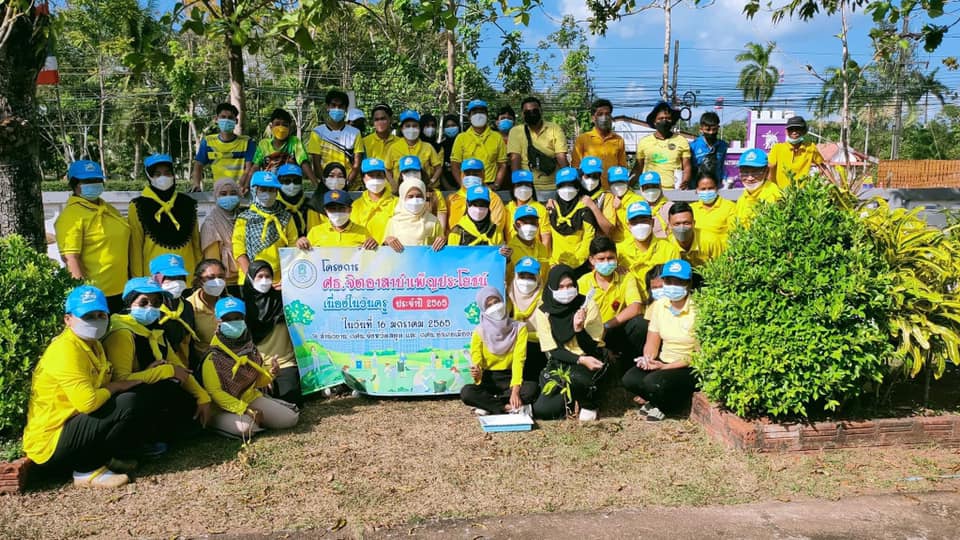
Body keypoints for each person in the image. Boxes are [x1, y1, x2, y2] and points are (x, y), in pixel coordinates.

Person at [23, 286, 148, 488]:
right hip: (50, 443)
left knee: (132, 396)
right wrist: (116, 386)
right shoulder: (65, 350)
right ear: (68, 319)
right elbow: (88, 403)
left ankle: (102, 459)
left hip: (72, 424)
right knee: (125, 402)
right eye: (88, 316)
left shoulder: (93, 344)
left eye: (101, 315)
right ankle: (86, 470)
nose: (96, 321)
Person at [103, 277, 212, 449]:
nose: (151, 307)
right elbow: (121, 380)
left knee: (190, 404)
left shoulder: (155, 329)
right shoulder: (122, 333)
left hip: (152, 388)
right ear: (130, 303)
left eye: (156, 303)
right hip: (129, 399)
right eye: (144, 302)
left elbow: (178, 367)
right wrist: (165, 371)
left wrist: (202, 397)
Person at [202, 296, 300, 439]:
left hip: (250, 398)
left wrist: (271, 373)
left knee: (290, 419)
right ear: (218, 321)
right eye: (227, 319)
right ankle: (214, 422)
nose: (233, 322)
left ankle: (262, 412)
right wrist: (244, 409)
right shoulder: (213, 357)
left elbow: (257, 381)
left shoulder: (249, 347)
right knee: (247, 428)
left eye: (237, 318)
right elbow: (215, 392)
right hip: (221, 407)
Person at [622, 259, 699, 421]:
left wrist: (666, 367)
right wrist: (648, 359)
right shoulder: (660, 305)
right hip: (664, 360)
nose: (673, 286)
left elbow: (698, 355)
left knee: (654, 382)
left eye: (678, 282)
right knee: (630, 379)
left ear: (688, 283)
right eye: (669, 281)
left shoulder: (698, 309)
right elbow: (652, 340)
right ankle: (656, 400)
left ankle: (667, 406)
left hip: (687, 366)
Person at [532, 264, 607, 421]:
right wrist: (579, 359)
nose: (566, 291)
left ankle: (589, 403)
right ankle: (570, 401)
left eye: (570, 285)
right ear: (551, 287)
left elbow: (592, 347)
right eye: (560, 287)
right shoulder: (543, 311)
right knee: (543, 411)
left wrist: (579, 330)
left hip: (589, 357)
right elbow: (553, 350)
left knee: (577, 377)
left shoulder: (587, 305)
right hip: (562, 360)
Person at [56, 160, 131, 314]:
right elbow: (70, 258)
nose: (94, 184)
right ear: (74, 184)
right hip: (96, 295)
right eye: (87, 181)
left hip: (122, 289)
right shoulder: (71, 216)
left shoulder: (108, 209)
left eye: (97, 180)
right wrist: (85, 295)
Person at [461, 286, 538, 415]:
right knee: (467, 392)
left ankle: (489, 405)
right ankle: (507, 407)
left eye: (496, 302)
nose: (495, 307)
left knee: (532, 388)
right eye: (489, 305)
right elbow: (477, 362)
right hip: (489, 379)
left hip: (510, 378)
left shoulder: (519, 328)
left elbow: (518, 361)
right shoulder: (479, 332)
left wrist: (515, 391)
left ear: (502, 301)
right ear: (483, 310)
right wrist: (477, 373)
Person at [129, 153, 201, 281]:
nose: (163, 177)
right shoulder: (138, 205)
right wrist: (139, 281)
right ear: (149, 176)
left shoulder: (187, 203)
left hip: (187, 275)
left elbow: (196, 243)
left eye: (167, 173)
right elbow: (136, 248)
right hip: (155, 278)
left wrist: (199, 275)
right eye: (157, 174)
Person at [241, 261, 302, 406]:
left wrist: (292, 289)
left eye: (268, 276)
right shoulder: (242, 307)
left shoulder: (284, 300)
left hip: (285, 364)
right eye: (259, 276)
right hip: (256, 367)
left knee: (290, 402)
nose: (264, 280)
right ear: (250, 278)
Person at [577, 236, 646, 364]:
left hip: (615, 329)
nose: (607, 262)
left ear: (616, 258)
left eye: (610, 258)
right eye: (601, 259)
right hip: (592, 334)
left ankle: (633, 364)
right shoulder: (583, 282)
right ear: (592, 260)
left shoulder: (626, 277)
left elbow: (635, 307)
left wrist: (607, 326)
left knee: (640, 324)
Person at [232, 171, 301, 286]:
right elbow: (239, 250)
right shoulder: (244, 218)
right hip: (250, 280)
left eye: (271, 190)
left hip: (279, 281)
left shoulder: (286, 217)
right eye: (263, 190)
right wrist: (252, 277)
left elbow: (293, 248)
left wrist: (287, 277)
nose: (268, 194)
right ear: (254, 191)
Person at [617, 201, 680, 299]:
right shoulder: (619, 251)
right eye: (634, 222)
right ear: (628, 225)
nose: (640, 225)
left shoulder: (669, 249)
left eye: (644, 220)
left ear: (652, 222)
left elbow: (676, 283)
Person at [507, 96, 569, 192]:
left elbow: (561, 156)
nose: (531, 114)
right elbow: (515, 159)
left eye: (535, 111)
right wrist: (518, 184)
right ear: (522, 114)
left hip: (554, 185)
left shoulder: (554, 128)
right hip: (527, 186)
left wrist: (567, 180)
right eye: (527, 112)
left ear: (541, 111)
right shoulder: (516, 131)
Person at [307, 89, 364, 189]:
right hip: (326, 187)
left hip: (351, 188)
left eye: (341, 106)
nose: (337, 109)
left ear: (346, 109)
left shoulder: (355, 133)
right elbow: (316, 164)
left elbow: (357, 164)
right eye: (333, 105)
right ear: (327, 107)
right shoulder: (317, 133)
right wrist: (325, 184)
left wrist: (347, 183)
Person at [149, 254, 199, 370]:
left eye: (180, 278)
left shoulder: (187, 306)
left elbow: (189, 342)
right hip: (158, 369)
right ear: (157, 279)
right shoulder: (149, 309)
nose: (176, 282)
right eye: (170, 278)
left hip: (184, 366)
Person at [191, 102, 255, 192]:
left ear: (236, 121)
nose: (226, 120)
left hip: (241, 191)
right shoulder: (208, 142)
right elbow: (198, 165)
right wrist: (196, 185)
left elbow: (249, 169)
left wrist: (242, 186)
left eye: (230, 118)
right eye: (223, 117)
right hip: (219, 192)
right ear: (216, 119)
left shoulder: (247, 142)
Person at [546, 167, 595, 275]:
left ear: (577, 186)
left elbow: (588, 238)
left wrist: (574, 262)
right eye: (563, 185)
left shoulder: (584, 209)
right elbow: (547, 238)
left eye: (571, 185)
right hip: (555, 265)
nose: (567, 189)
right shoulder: (552, 208)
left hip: (580, 265)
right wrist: (551, 262)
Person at [632, 101, 692, 189]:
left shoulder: (681, 141)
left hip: (674, 191)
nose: (664, 121)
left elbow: (687, 166)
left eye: (668, 118)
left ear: (672, 121)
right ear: (654, 121)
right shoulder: (644, 142)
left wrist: (685, 181)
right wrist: (627, 187)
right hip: (650, 190)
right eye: (660, 118)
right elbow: (638, 169)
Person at [251, 108, 316, 186]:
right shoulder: (264, 144)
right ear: (271, 126)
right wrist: (248, 185)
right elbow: (255, 166)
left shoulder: (294, 142)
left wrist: (315, 184)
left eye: (285, 125)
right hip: (269, 186)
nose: (281, 129)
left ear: (289, 128)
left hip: (290, 186)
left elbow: (304, 162)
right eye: (277, 124)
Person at [451, 99, 507, 189]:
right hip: (467, 186)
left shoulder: (497, 137)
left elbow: (502, 164)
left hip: (490, 186)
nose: (478, 115)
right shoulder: (461, 138)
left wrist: (496, 185)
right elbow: (455, 165)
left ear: (487, 115)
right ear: (469, 117)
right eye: (475, 113)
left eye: (482, 112)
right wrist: (463, 186)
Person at [507, 257, 547, 383]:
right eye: (522, 276)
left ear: (538, 277)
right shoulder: (507, 294)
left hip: (537, 346)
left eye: (531, 277)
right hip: (511, 345)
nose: (526, 281)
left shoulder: (545, 297)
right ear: (515, 276)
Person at [571, 98, 627, 187]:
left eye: (607, 114)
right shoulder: (582, 139)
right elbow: (576, 168)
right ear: (593, 118)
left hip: (612, 189)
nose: (604, 117)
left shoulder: (618, 140)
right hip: (590, 190)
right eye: (600, 114)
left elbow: (622, 167)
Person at [382, 178, 446, 252]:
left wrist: (442, 240)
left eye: (419, 196)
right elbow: (385, 247)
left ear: (424, 197)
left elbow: (441, 244)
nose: (415, 200)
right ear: (402, 199)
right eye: (410, 196)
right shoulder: (394, 221)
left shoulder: (433, 221)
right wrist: (387, 241)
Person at [303, 189, 378, 249]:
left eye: (341, 208)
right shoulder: (315, 232)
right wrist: (301, 244)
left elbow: (370, 258)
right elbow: (305, 256)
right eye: (332, 209)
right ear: (326, 211)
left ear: (350, 210)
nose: (337, 212)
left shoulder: (363, 232)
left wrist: (373, 244)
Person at [386, 110, 443, 190]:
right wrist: (393, 184)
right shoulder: (394, 148)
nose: (411, 129)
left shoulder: (428, 147)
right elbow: (387, 169)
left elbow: (438, 168)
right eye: (408, 126)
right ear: (402, 129)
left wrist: (431, 182)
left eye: (414, 126)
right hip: (400, 191)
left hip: (422, 190)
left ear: (419, 128)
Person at [187, 259, 230, 363]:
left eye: (221, 277)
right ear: (199, 281)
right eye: (211, 278)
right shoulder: (189, 306)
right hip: (203, 362)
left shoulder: (230, 303)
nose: (217, 281)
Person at [201, 179, 242, 286]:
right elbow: (212, 261)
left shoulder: (243, 218)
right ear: (216, 196)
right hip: (224, 281)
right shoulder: (210, 224)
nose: (228, 197)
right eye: (223, 194)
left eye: (233, 193)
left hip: (245, 276)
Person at [446, 158, 508, 231]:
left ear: (483, 175)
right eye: (467, 174)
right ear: (461, 174)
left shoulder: (493, 198)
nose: (471, 176)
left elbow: (496, 226)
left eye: (475, 174)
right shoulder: (451, 199)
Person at [768, 115, 826, 188]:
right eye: (791, 129)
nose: (794, 132)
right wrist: (770, 187)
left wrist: (835, 186)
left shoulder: (810, 147)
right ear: (786, 132)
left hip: (802, 192)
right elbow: (770, 167)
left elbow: (823, 166)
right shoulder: (777, 148)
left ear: (804, 131)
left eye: (797, 129)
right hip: (780, 192)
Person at [395, 155, 448, 232]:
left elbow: (441, 225)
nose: (411, 174)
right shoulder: (395, 197)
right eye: (407, 171)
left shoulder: (435, 195)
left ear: (421, 172)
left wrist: (439, 236)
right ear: (401, 176)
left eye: (415, 170)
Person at [350, 158, 396, 243]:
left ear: (385, 177)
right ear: (363, 178)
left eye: (379, 175)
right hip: (364, 250)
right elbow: (352, 233)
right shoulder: (356, 205)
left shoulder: (397, 203)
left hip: (391, 250)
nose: (375, 179)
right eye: (371, 175)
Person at [504, 169, 551, 249]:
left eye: (527, 185)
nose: (523, 188)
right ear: (513, 188)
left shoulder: (541, 209)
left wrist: (542, 255)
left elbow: (546, 238)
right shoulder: (506, 209)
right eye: (519, 185)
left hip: (535, 254)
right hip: (513, 254)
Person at [734, 148, 782, 227]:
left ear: (766, 171)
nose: (750, 178)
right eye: (745, 172)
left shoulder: (774, 195)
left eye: (755, 172)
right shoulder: (743, 198)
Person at [667, 202, 723, 268]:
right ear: (669, 225)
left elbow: (722, 268)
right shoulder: (667, 245)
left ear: (694, 223)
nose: (682, 228)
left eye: (686, 223)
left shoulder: (711, 241)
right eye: (677, 224)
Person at [503, 205, 550, 282]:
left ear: (538, 225)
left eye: (533, 223)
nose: (529, 227)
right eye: (524, 223)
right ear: (515, 226)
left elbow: (545, 276)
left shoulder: (542, 248)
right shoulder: (508, 251)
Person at [276, 163, 323, 238]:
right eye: (286, 181)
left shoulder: (311, 205)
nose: (292, 185)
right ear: (278, 181)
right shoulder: (274, 207)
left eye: (296, 181)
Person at [690, 171, 736, 245]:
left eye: (710, 188)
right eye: (703, 189)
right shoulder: (691, 209)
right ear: (697, 190)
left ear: (717, 188)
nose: (707, 191)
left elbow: (734, 235)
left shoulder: (730, 207)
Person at [577, 156, 617, 237]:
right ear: (581, 174)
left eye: (595, 176)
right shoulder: (573, 193)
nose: (591, 179)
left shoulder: (606, 197)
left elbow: (609, 230)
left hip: (597, 241)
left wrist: (592, 206)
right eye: (588, 175)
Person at [689, 111, 728, 184]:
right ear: (701, 129)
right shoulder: (693, 146)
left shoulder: (723, 145)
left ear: (718, 127)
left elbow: (722, 166)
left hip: (716, 186)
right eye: (708, 129)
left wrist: (725, 180)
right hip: (696, 187)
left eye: (714, 129)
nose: (711, 132)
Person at [607, 165, 642, 243]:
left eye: (621, 182)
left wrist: (619, 209)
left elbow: (635, 226)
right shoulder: (607, 198)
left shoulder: (637, 200)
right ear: (608, 183)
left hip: (632, 242)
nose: (618, 185)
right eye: (614, 182)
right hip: (613, 243)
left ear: (627, 182)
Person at [637, 170, 672, 238]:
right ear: (641, 189)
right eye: (647, 187)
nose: (651, 190)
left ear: (660, 187)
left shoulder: (670, 207)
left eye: (654, 186)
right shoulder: (638, 208)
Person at [439, 113, 461, 191]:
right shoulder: (441, 146)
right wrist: (448, 187)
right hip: (446, 188)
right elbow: (440, 170)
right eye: (447, 126)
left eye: (453, 125)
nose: (451, 128)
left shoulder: (464, 143)